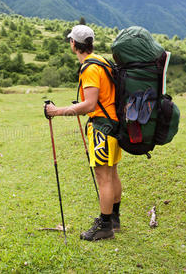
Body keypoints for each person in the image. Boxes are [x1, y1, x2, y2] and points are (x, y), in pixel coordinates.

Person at [44, 25, 122, 241]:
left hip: (102, 129)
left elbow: (89, 105)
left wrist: (57, 111)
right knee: (112, 173)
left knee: (104, 177)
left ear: (73, 44)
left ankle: (105, 226)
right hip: (115, 126)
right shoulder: (103, 61)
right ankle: (114, 219)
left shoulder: (89, 68)